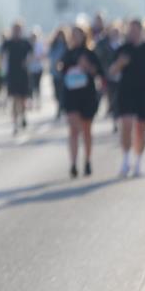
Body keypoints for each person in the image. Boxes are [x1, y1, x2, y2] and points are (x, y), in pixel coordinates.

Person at [109, 19, 145, 177]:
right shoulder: (123, 50)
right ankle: (126, 160)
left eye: (135, 30)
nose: (132, 33)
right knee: (126, 126)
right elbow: (111, 72)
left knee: (141, 128)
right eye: (130, 30)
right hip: (126, 92)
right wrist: (120, 64)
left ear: (141, 31)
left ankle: (138, 162)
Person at [59, 26, 104, 177]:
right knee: (73, 129)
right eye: (73, 35)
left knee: (86, 130)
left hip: (87, 95)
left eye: (78, 35)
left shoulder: (90, 54)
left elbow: (99, 72)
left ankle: (87, 160)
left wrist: (88, 67)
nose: (75, 38)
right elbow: (60, 71)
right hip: (71, 96)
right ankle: (73, 163)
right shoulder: (67, 54)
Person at [0, 21, 33, 133]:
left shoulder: (25, 42)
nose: (16, 32)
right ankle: (15, 123)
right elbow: (2, 54)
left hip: (23, 74)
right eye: (15, 29)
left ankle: (23, 115)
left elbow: (31, 54)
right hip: (12, 74)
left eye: (18, 29)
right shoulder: (8, 43)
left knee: (23, 98)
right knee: (14, 99)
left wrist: (27, 62)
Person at [48, 28, 68, 119]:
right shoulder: (53, 45)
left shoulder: (66, 45)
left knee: (62, 91)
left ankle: (61, 108)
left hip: (63, 73)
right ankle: (59, 106)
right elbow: (50, 55)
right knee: (56, 92)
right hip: (54, 72)